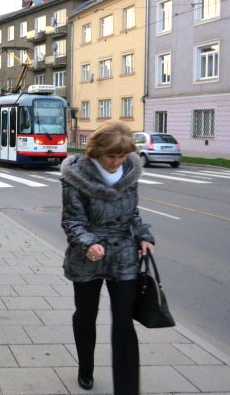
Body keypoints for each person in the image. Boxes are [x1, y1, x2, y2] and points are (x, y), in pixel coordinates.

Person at [60, 120, 154, 395]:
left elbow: (133, 214)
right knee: (86, 315)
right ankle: (85, 367)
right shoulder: (76, 176)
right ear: (96, 152)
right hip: (87, 255)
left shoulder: (129, 172)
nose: (117, 162)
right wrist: (88, 243)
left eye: (122, 156)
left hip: (123, 255)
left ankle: (126, 389)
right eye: (111, 156)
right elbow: (72, 220)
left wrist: (144, 235)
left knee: (124, 321)